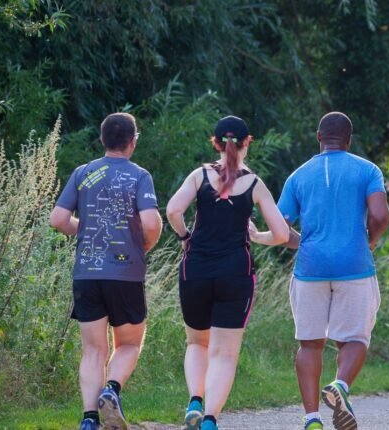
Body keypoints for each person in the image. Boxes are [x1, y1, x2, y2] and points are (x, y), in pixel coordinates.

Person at [266, 112, 389, 430]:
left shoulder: (298, 176)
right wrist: (370, 241)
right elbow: (380, 215)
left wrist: (302, 243)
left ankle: (311, 419)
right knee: (355, 339)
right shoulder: (367, 170)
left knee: (310, 343)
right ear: (349, 140)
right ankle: (340, 387)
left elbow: (280, 228)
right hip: (355, 267)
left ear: (319, 137)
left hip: (310, 269)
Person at [166, 115, 289, 430]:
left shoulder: (200, 176)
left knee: (197, 343)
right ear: (248, 143)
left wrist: (184, 238)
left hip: (195, 270)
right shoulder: (255, 184)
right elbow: (282, 235)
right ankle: (209, 420)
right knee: (224, 354)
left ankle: (195, 399)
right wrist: (257, 236)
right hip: (236, 274)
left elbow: (173, 210)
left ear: (216, 143)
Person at [50, 112, 163, 430]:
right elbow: (152, 223)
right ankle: (111, 390)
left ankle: (89, 420)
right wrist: (143, 245)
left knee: (93, 350)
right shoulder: (139, 176)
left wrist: (84, 229)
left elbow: (57, 220)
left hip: (86, 273)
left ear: (102, 140)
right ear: (133, 141)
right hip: (126, 272)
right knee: (128, 343)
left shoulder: (82, 173)